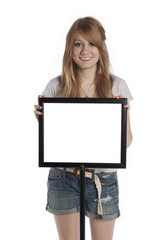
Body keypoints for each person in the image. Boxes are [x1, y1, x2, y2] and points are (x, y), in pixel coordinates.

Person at [34, 16, 133, 240]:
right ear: (70, 48)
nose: (84, 50)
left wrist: (122, 114)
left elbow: (126, 142)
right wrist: (43, 121)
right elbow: (55, 143)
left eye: (91, 43)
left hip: (103, 178)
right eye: (78, 43)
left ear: (101, 48)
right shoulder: (55, 86)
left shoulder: (117, 85)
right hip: (64, 176)